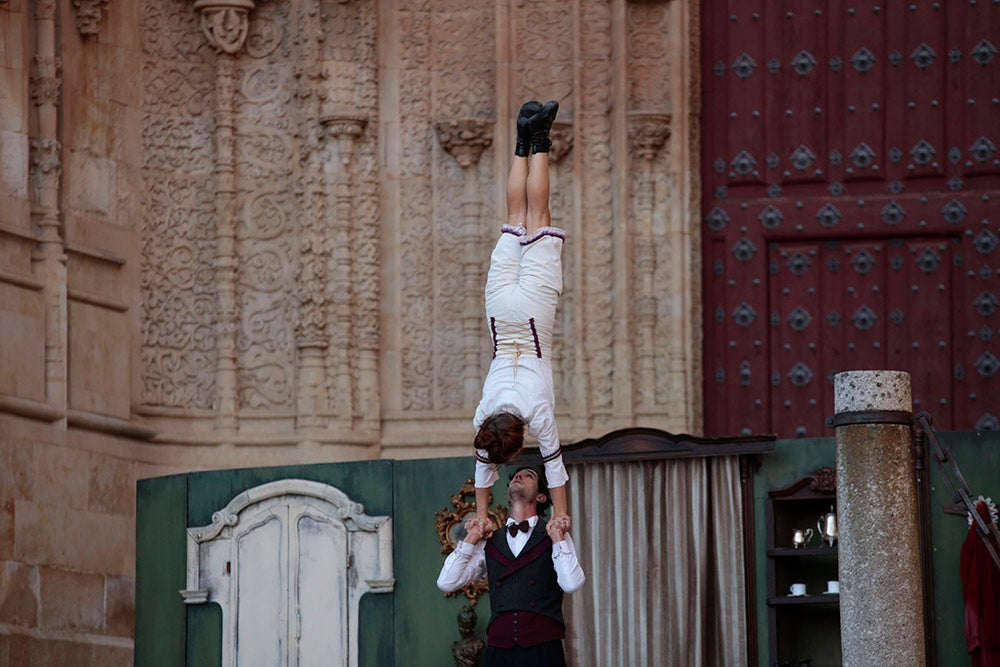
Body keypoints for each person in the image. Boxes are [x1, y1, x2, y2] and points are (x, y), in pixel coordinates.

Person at [474, 98, 569, 524]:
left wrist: (559, 518)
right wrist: (479, 512)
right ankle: (521, 139)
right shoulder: (483, 414)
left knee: (539, 215)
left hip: (532, 318)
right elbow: (481, 469)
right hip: (499, 312)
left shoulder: (536, 412)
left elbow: (556, 470)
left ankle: (542, 139)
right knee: (514, 217)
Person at [437, 466, 585, 666]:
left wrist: (558, 537)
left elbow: (572, 584)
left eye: (528, 475)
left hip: (544, 651)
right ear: (507, 497)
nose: (519, 476)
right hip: (499, 652)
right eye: (516, 475)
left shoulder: (553, 535)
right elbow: (446, 583)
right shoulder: (489, 540)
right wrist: (472, 536)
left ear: (541, 497)